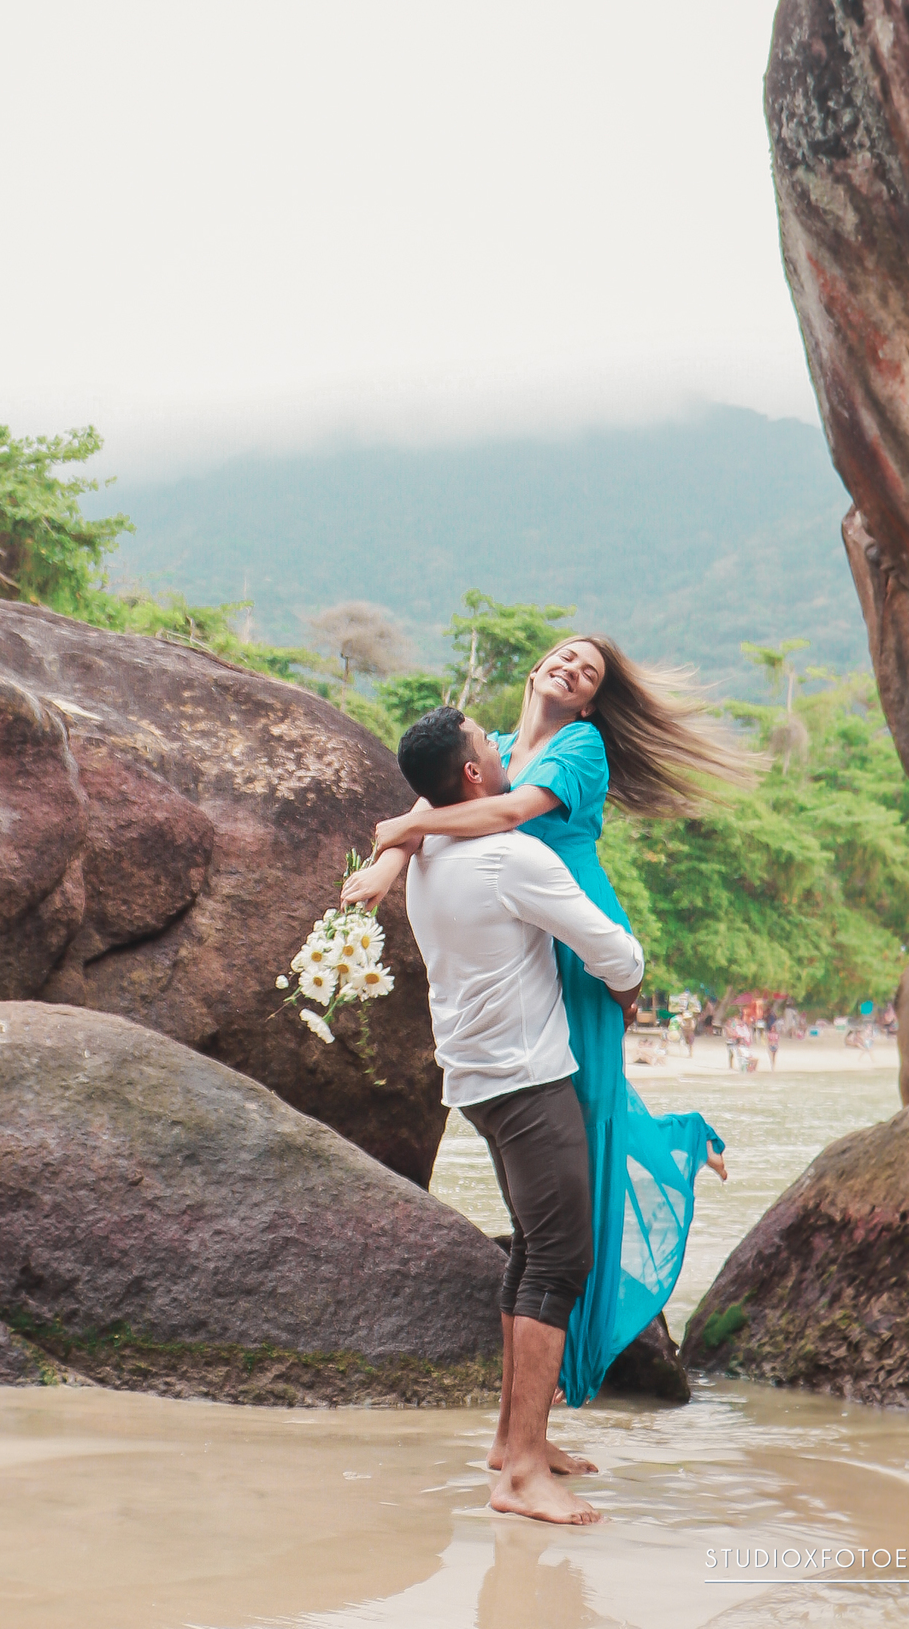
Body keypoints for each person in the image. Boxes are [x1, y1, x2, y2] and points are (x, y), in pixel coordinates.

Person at [345, 635, 758, 1406]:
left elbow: (505, 812)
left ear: (591, 702)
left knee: (588, 1109)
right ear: (537, 669)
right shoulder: (492, 747)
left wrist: (397, 834)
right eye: (564, 657)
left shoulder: (581, 747)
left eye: (589, 673)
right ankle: (546, 1389)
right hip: (521, 925)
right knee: (561, 1126)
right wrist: (386, 864)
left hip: (574, 928)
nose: (572, 669)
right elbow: (430, 810)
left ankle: (571, 1371)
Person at [396, 707, 645, 1524]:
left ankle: (513, 1442)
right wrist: (630, 984)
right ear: (474, 775)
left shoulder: (428, 853)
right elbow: (612, 948)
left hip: (474, 1079)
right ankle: (523, 1474)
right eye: (487, 744)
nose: (503, 749)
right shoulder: (510, 856)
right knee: (561, 1262)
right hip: (529, 1081)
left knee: (532, 1249)